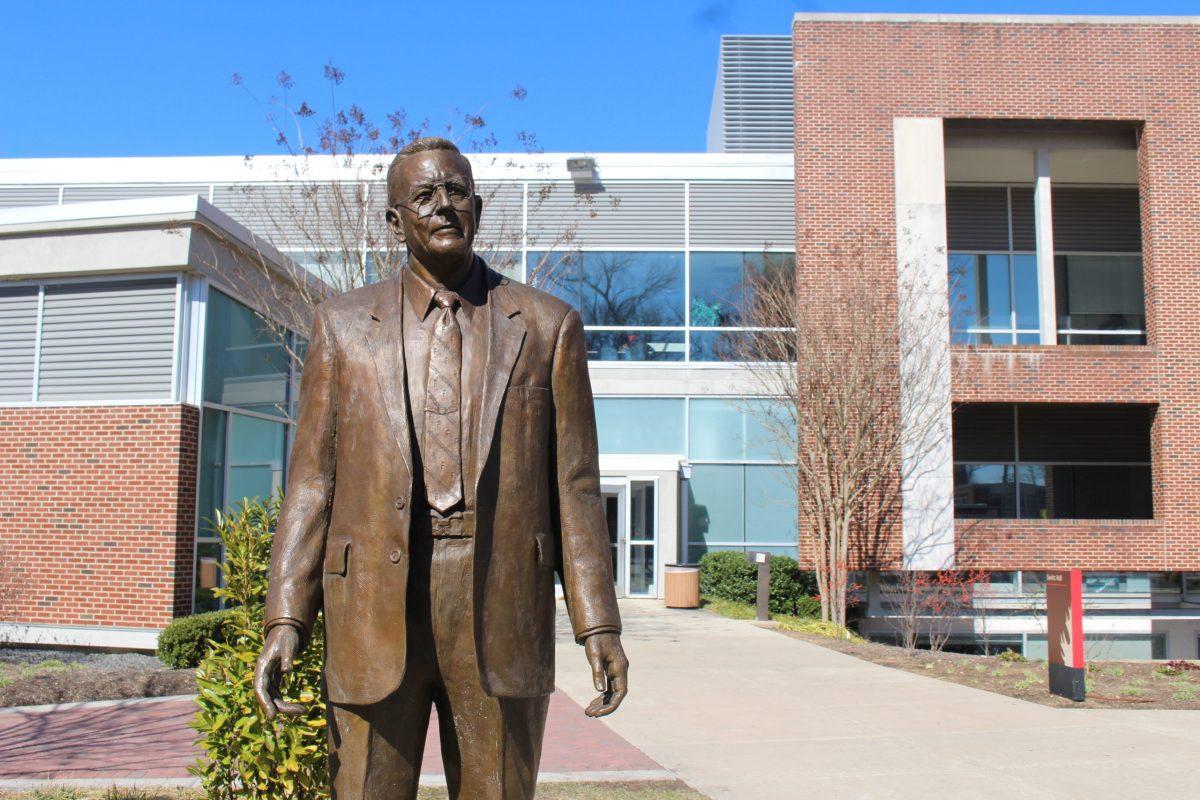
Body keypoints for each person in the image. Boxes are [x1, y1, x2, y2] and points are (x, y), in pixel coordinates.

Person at [253, 137, 628, 799]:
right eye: (423, 196)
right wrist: (286, 619)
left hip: (501, 604)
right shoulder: (341, 328)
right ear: (396, 220)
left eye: (456, 192)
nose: (443, 206)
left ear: (479, 207)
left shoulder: (546, 326)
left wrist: (597, 625)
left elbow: (574, 490)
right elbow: (312, 484)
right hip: (371, 603)